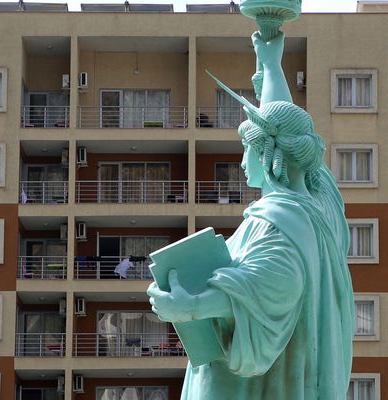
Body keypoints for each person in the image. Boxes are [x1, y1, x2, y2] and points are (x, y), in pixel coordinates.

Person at [147, 29, 354, 400]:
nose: (242, 162)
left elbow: (265, 289)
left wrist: (190, 306)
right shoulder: (325, 206)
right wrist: (272, 65)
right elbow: (285, 123)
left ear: (268, 156)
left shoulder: (276, 222)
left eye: (247, 151)